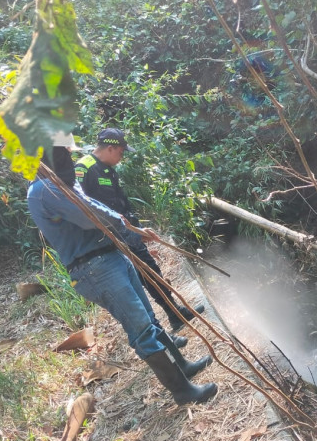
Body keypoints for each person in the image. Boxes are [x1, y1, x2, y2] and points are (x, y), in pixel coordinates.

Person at [27, 146, 217, 405]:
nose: (70, 160)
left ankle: (183, 367)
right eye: (65, 155)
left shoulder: (61, 183)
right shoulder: (44, 191)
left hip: (109, 255)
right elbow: (90, 215)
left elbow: (94, 207)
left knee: (149, 319)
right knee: (141, 330)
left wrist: (132, 231)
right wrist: (126, 225)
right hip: (94, 268)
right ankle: (182, 391)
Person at [74, 128, 204, 333]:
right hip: (109, 239)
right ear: (110, 148)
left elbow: (121, 204)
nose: (122, 156)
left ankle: (175, 314)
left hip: (127, 233)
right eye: (121, 152)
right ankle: (159, 325)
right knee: (137, 281)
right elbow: (84, 209)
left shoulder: (108, 169)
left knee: (152, 272)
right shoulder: (84, 169)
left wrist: (138, 229)